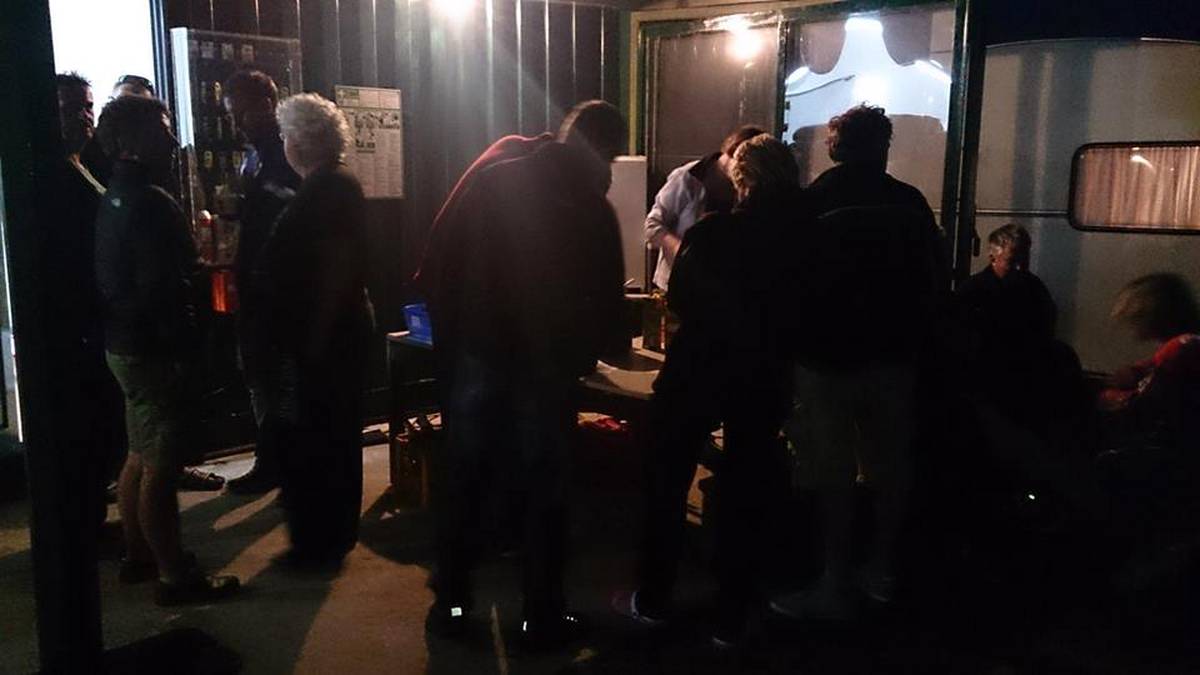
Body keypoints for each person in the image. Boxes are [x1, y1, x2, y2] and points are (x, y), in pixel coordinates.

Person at [422, 100, 628, 650]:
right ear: (603, 150)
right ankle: (540, 618)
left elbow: (442, 262)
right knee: (545, 492)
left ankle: (452, 606)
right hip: (546, 368)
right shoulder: (592, 208)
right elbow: (609, 314)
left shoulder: (494, 179)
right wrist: (586, 356)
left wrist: (457, 341)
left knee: (465, 481)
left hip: (480, 353)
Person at [613, 134, 808, 647]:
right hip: (764, 376)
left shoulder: (716, 232)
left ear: (742, 180)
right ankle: (732, 615)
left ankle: (653, 599)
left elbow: (680, 299)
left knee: (667, 480)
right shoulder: (805, 240)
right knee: (746, 490)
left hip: (697, 370)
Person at [770, 104, 945, 620]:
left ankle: (834, 581)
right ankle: (882, 571)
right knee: (889, 468)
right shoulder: (909, 203)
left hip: (827, 360)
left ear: (835, 148)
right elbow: (935, 278)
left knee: (834, 474)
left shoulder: (816, 201)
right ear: (883, 148)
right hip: (894, 358)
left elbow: (789, 282)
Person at [94, 94, 239, 605]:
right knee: (163, 465)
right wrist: (208, 278)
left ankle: (139, 556)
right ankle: (175, 576)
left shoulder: (114, 193)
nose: (173, 139)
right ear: (131, 139)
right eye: (162, 128)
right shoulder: (153, 201)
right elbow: (167, 286)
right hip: (157, 349)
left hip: (123, 344)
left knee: (139, 452)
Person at [259, 93, 373, 567]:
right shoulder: (325, 184)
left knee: (322, 440)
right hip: (321, 336)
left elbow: (338, 269)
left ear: (301, 140)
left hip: (325, 340)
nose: (282, 143)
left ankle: (320, 543)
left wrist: (315, 341)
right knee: (324, 437)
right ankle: (322, 537)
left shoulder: (331, 188)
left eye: (285, 134)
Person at [48, 72, 124, 531]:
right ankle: (83, 524)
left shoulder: (82, 164)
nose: (83, 116)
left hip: (94, 317)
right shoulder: (52, 175)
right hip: (76, 323)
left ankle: (90, 517)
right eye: (70, 108)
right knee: (84, 424)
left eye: (88, 107)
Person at [221, 70, 302, 495]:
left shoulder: (286, 154)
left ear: (267, 104)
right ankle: (273, 459)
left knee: (274, 379)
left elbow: (288, 220)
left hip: (275, 290)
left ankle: (276, 463)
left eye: (242, 113)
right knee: (260, 376)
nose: (236, 123)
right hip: (256, 287)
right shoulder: (253, 156)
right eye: (231, 115)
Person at [643, 125, 764, 291]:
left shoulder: (748, 185)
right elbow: (652, 226)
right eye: (745, 166)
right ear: (733, 152)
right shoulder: (687, 177)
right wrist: (683, 252)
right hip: (677, 285)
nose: (746, 174)